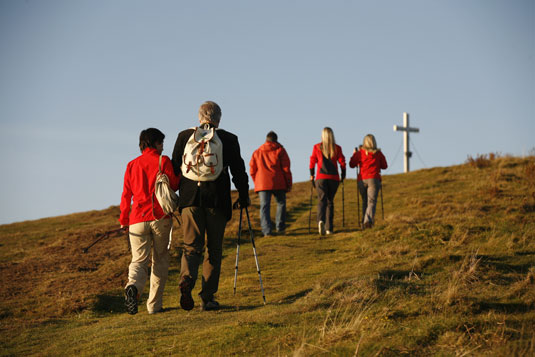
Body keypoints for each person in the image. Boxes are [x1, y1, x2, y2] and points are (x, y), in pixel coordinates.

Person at [172, 101, 250, 311]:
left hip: (189, 199)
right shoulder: (228, 139)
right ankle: (207, 298)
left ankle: (186, 279)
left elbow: (174, 167)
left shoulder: (184, 136)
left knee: (191, 246)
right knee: (214, 249)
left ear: (199, 117)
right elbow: (238, 171)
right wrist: (243, 196)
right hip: (216, 199)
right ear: (218, 119)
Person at [119, 128, 180, 315]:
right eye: (161, 143)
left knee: (138, 260)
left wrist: (124, 220)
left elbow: (126, 195)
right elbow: (175, 184)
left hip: (137, 219)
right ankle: (154, 306)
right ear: (155, 143)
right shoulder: (163, 161)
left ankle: (133, 287)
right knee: (160, 260)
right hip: (160, 217)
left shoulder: (131, 165)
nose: (163, 147)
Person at [250, 131, 292, 237]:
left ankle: (266, 231)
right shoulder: (280, 150)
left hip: (262, 183)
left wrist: (257, 182)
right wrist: (288, 183)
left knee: (264, 206)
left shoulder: (257, 151)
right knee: (281, 203)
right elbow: (286, 169)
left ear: (266, 139)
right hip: (279, 182)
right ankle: (280, 228)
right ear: (276, 140)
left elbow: (252, 170)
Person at [309, 127, 346, 236]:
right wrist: (343, 176)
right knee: (330, 202)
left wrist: (312, 175)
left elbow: (312, 162)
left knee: (322, 200)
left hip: (321, 177)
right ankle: (329, 228)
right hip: (334, 178)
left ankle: (321, 221)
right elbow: (342, 162)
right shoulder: (337, 148)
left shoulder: (317, 147)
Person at [349, 134, 388, 229]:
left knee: (365, 202)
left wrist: (355, 154)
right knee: (371, 202)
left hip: (362, 179)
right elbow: (385, 166)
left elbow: (351, 164)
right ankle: (367, 222)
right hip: (374, 179)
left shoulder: (360, 153)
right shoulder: (378, 153)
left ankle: (364, 222)